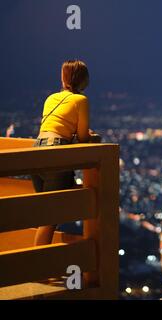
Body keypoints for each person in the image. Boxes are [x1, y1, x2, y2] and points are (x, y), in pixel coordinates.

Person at [32, 60, 100, 246]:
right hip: (56, 155)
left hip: (35, 153)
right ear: (84, 80)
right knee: (50, 218)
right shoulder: (81, 100)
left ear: (63, 78)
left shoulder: (50, 98)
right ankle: (38, 268)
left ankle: (39, 265)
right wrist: (91, 135)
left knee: (46, 214)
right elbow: (83, 137)